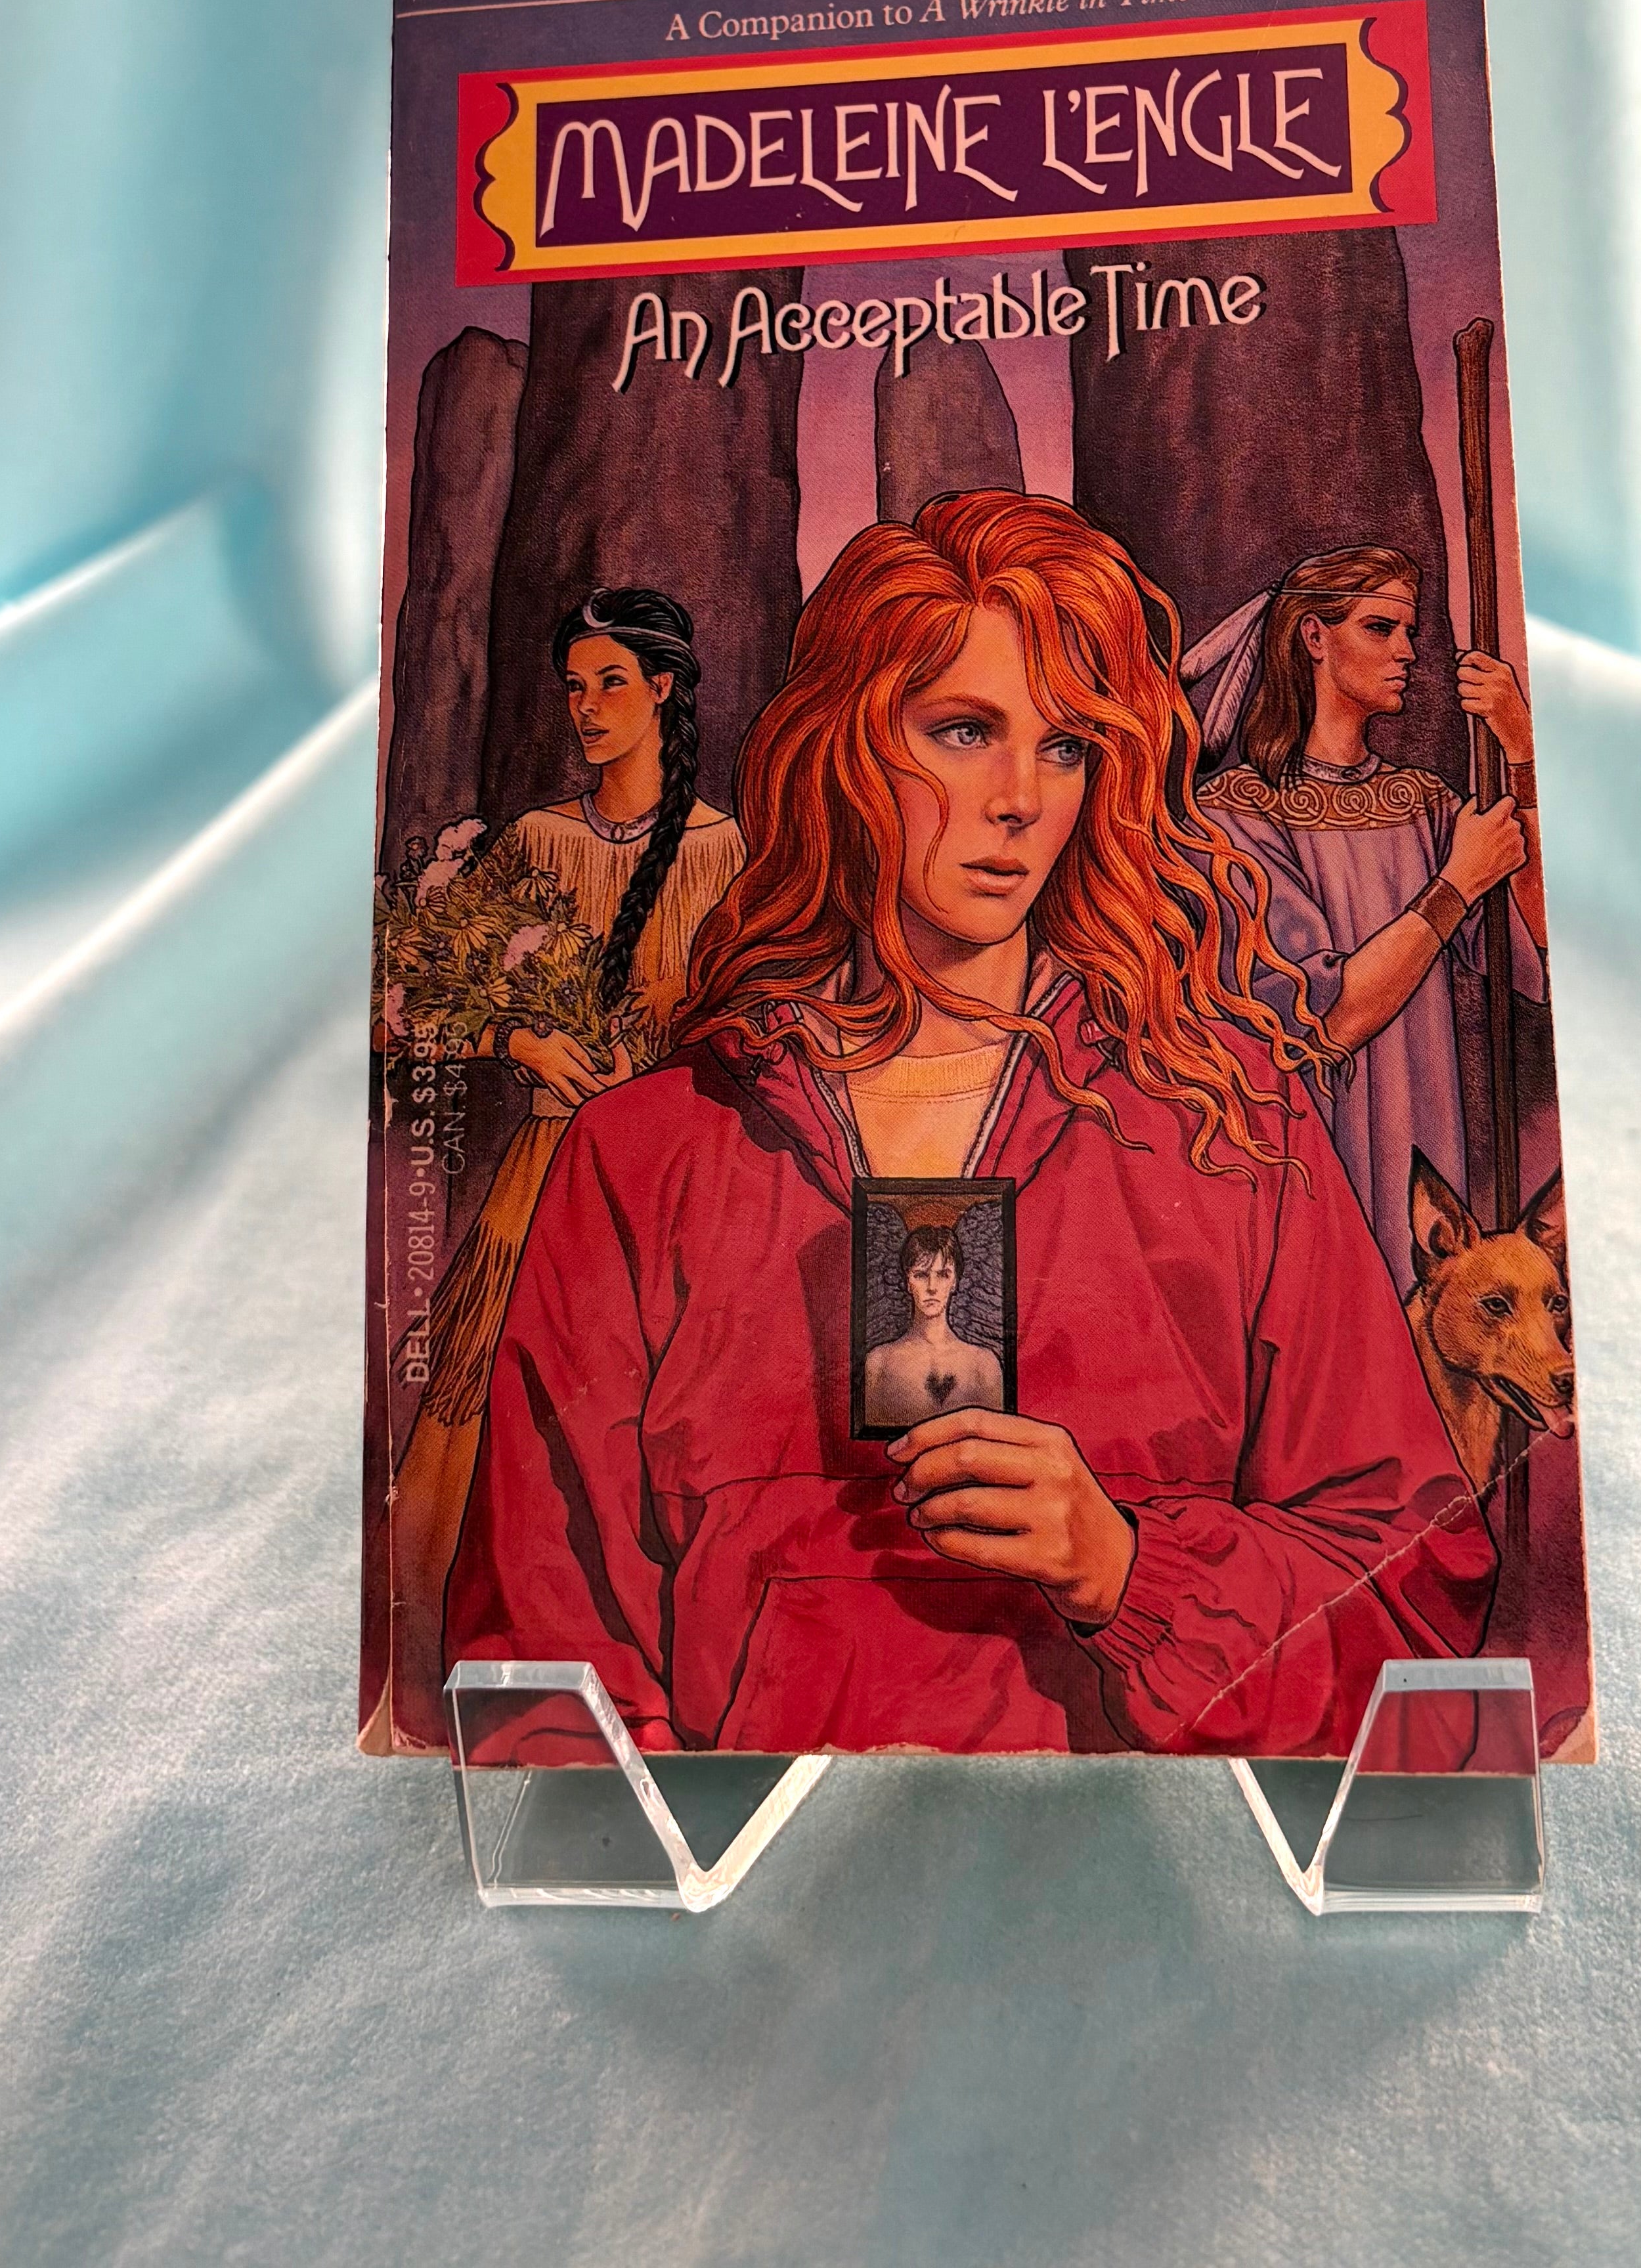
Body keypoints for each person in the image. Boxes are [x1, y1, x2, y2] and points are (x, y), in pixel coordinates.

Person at [447, 493, 1494, 1759]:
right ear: (845, 748)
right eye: (962, 730)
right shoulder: (647, 1150)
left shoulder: (1228, 1129)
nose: (1017, 799)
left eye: (1065, 747)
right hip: (756, 1872)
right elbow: (539, 1654)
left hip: (1141, 1860)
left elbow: (1414, 1600)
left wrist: (1129, 1568)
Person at [374, 586, 743, 1752]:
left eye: (611, 684)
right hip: (540, 1179)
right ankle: (445, 1696)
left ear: (664, 689)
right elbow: (400, 1005)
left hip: (674, 1183)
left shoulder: (724, 850)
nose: (586, 708)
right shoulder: (535, 842)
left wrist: (665, 1070)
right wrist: (519, 1039)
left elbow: (756, 1026)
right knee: (487, 1433)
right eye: (574, 688)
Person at [1191, 547, 1546, 1292]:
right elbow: (1328, 1019)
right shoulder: (1236, 816)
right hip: (1315, 1140)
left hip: (1427, 1136)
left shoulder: (1424, 804)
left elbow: (1540, 954)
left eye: (1410, 631)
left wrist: (1522, 756)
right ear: (1314, 637)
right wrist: (1455, 886)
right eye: (1381, 628)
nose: (1407, 652)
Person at [862, 1219, 1003, 1428]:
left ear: (955, 1282)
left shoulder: (984, 1365)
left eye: (943, 1275)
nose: (932, 1287)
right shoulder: (879, 1363)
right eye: (921, 1275)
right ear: (908, 1282)